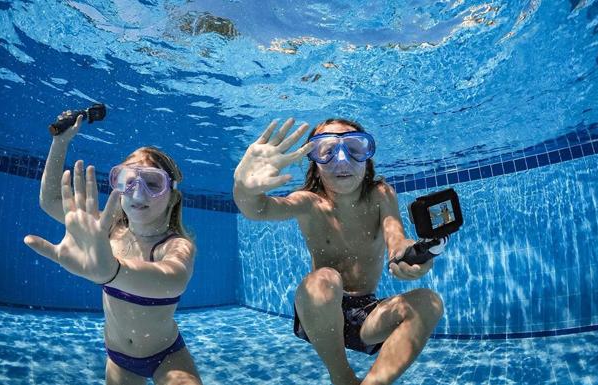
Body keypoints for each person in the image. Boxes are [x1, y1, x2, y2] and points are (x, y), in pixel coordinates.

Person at [234, 118, 446, 385]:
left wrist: (409, 257)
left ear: (367, 158)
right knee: (325, 279)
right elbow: (259, 209)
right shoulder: (309, 202)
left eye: (355, 147)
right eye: (326, 150)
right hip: (318, 312)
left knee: (430, 302)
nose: (342, 160)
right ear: (314, 162)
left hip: (365, 314)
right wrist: (243, 187)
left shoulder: (381, 194)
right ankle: (342, 377)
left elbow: (397, 238)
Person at [24, 111, 203, 385]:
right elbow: (50, 200)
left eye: (153, 183)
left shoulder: (176, 244)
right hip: (119, 359)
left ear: (172, 197)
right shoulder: (104, 230)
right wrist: (59, 143)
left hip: (167, 355)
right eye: (127, 180)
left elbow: (173, 279)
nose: (137, 192)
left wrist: (113, 272)